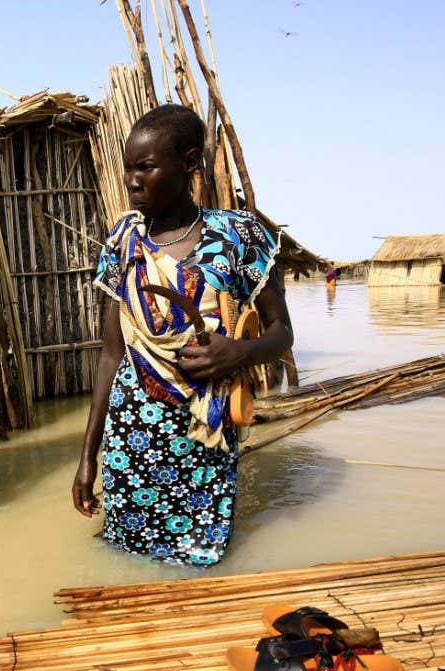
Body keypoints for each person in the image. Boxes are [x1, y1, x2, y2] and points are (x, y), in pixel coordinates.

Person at [72, 105, 295, 566]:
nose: (133, 180)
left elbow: (282, 333)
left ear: (190, 163)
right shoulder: (123, 240)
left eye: (147, 167)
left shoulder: (238, 235)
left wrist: (239, 353)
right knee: (124, 556)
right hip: (131, 437)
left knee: (202, 555)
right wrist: (88, 456)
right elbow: (111, 356)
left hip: (204, 434)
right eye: (129, 168)